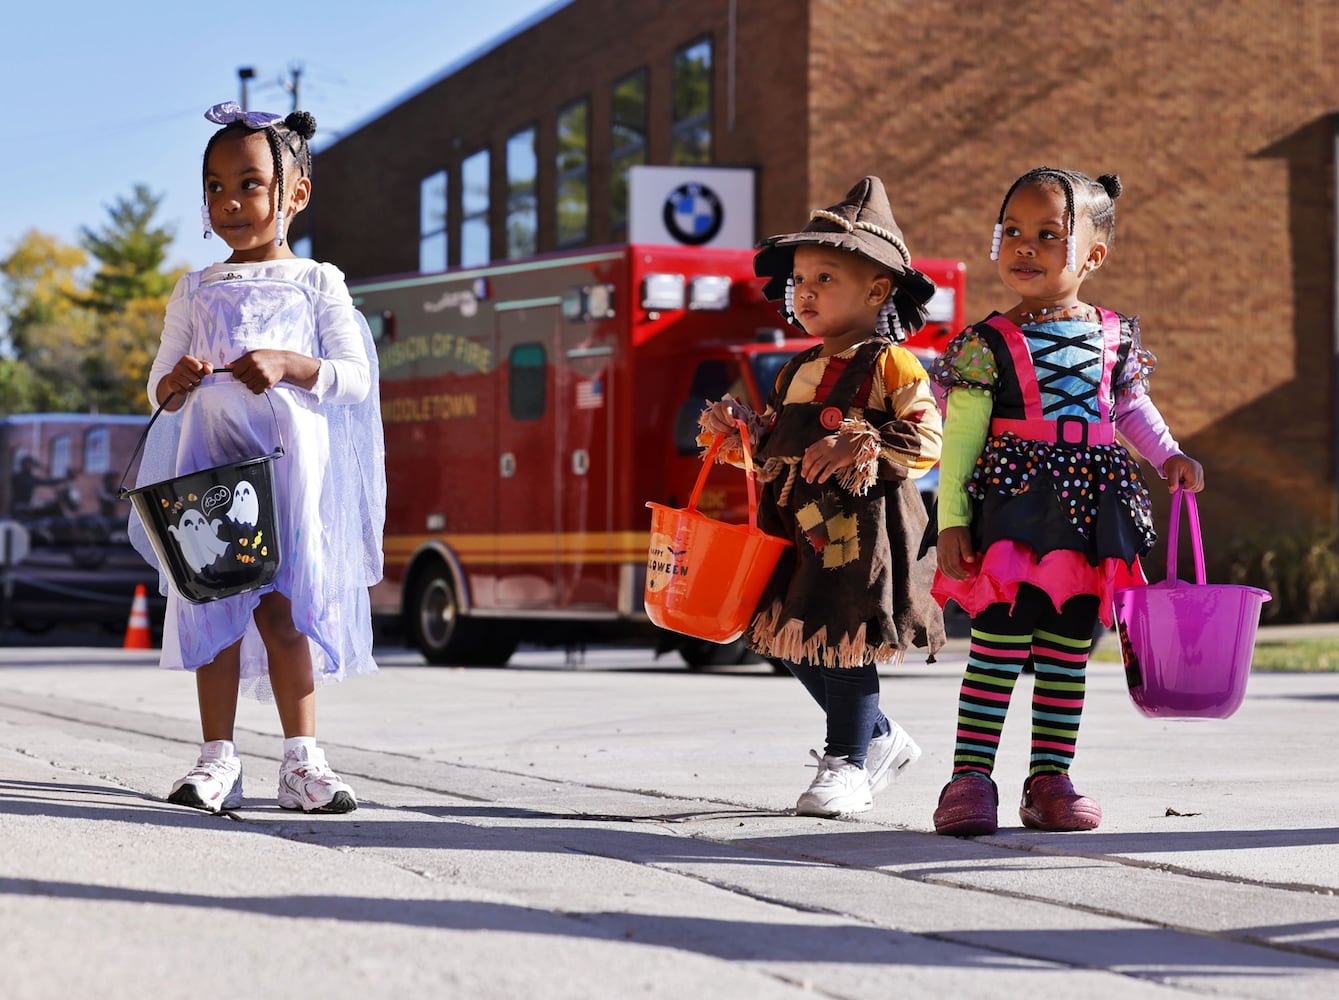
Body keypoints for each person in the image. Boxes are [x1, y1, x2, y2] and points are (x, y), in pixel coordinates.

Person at [928, 166, 1205, 836]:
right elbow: (960, 435)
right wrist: (953, 520)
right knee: (995, 643)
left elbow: (1131, 408)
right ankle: (969, 779)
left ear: (1092, 255)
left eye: (1047, 234)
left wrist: (1167, 455)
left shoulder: (1114, 336)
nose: (1023, 246)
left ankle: (1048, 778)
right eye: (1012, 232)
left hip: (1091, 515)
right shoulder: (984, 345)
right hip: (1010, 509)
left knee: (1064, 650)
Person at [129, 102, 386, 815]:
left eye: (249, 184)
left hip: (289, 473)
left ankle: (302, 761)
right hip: (208, 471)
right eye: (214, 187)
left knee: (282, 613)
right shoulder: (195, 287)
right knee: (213, 605)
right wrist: (173, 382)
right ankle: (217, 761)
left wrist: (290, 364)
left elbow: (354, 378)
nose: (231, 203)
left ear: (295, 193)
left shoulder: (316, 283)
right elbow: (158, 385)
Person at [700, 176, 946, 817]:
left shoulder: (895, 366)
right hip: (795, 525)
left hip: (862, 532)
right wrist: (744, 433)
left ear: (877, 289)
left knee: (843, 634)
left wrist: (859, 442)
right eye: (799, 278)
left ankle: (848, 763)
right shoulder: (794, 369)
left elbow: (926, 441)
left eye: (825, 278)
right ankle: (881, 737)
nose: (805, 291)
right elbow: (777, 449)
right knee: (789, 635)